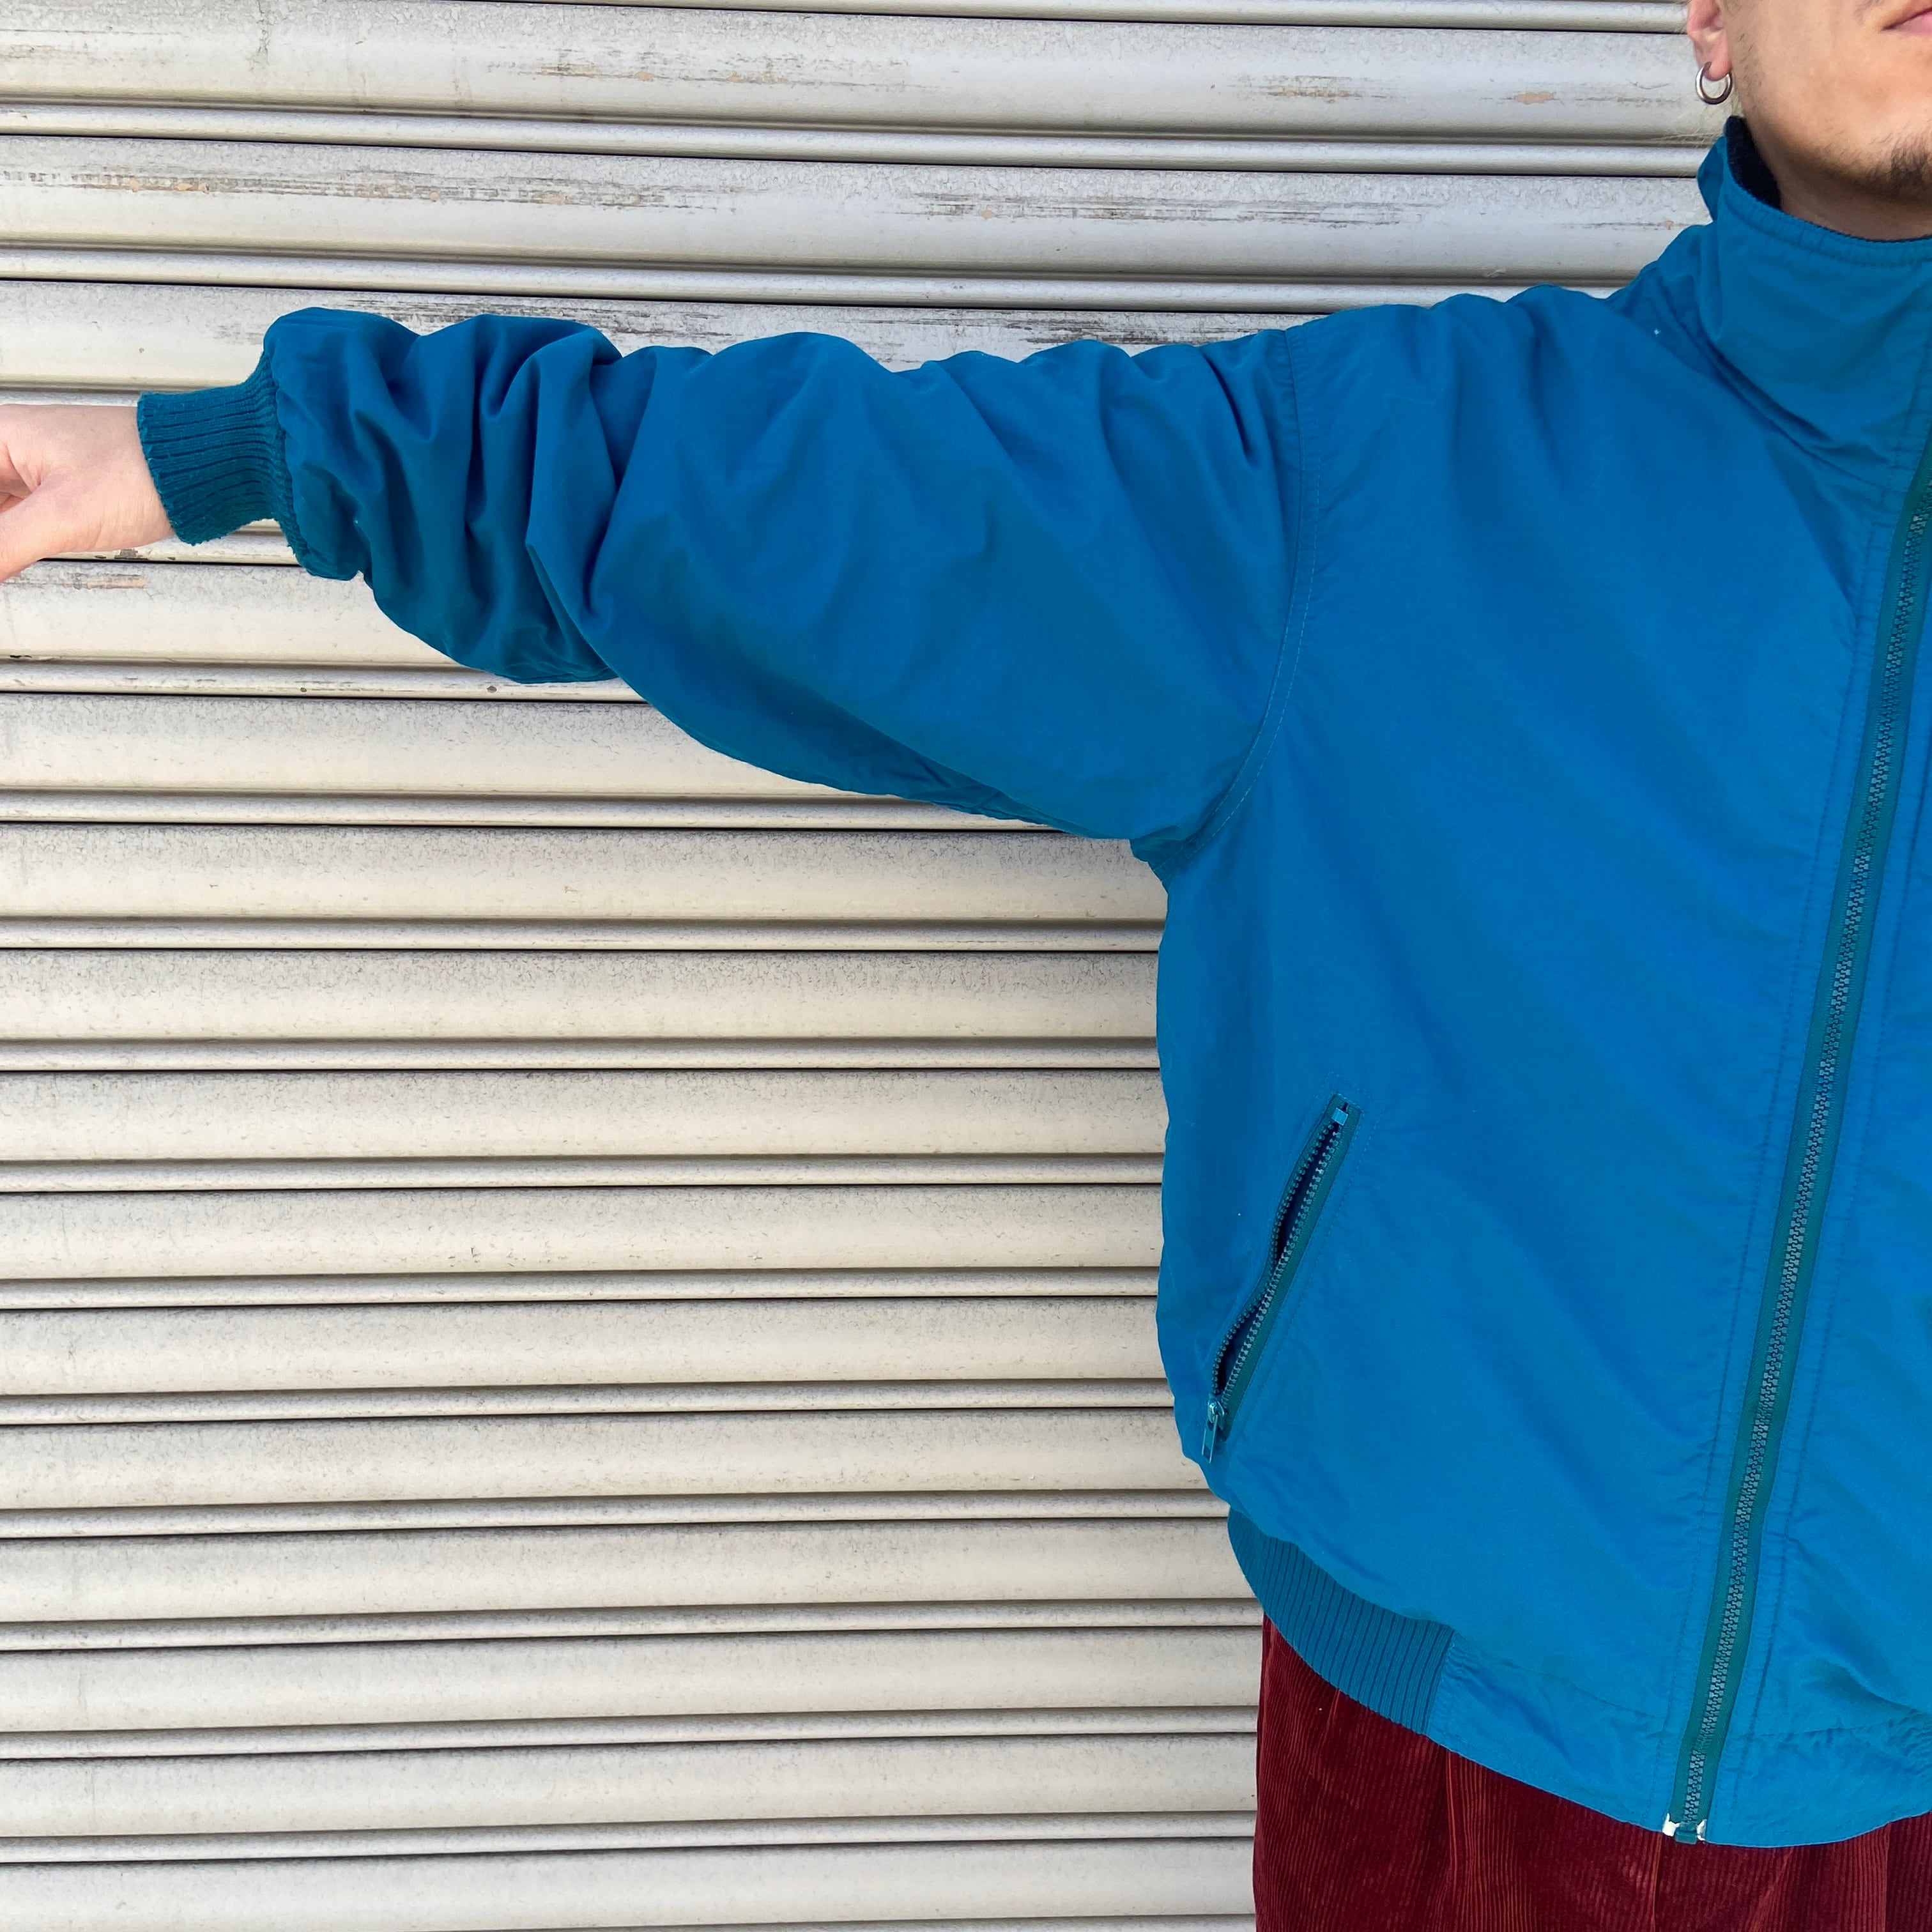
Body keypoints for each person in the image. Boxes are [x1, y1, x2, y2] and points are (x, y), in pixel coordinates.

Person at [6, 0, 1932, 1921]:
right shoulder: (1389, 481)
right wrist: (258, 450)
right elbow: (833, 506)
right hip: (1437, 1738)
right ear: (1709, 19)